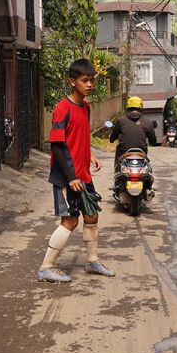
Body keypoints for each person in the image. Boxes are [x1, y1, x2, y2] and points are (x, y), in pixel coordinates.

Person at [38, 58, 115, 283]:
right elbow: (58, 146)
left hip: (83, 174)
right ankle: (46, 267)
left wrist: (90, 153)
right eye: (85, 80)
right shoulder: (63, 109)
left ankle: (92, 262)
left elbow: (80, 136)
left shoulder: (86, 107)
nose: (89, 84)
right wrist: (71, 177)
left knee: (92, 215)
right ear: (72, 81)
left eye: (92, 80)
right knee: (70, 221)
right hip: (67, 177)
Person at [108, 96, 158, 171]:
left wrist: (111, 138)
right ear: (141, 108)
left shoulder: (121, 121)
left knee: (119, 170)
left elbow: (112, 139)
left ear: (128, 108)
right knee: (148, 172)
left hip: (124, 155)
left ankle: (117, 171)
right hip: (141, 155)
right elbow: (153, 141)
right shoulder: (148, 122)